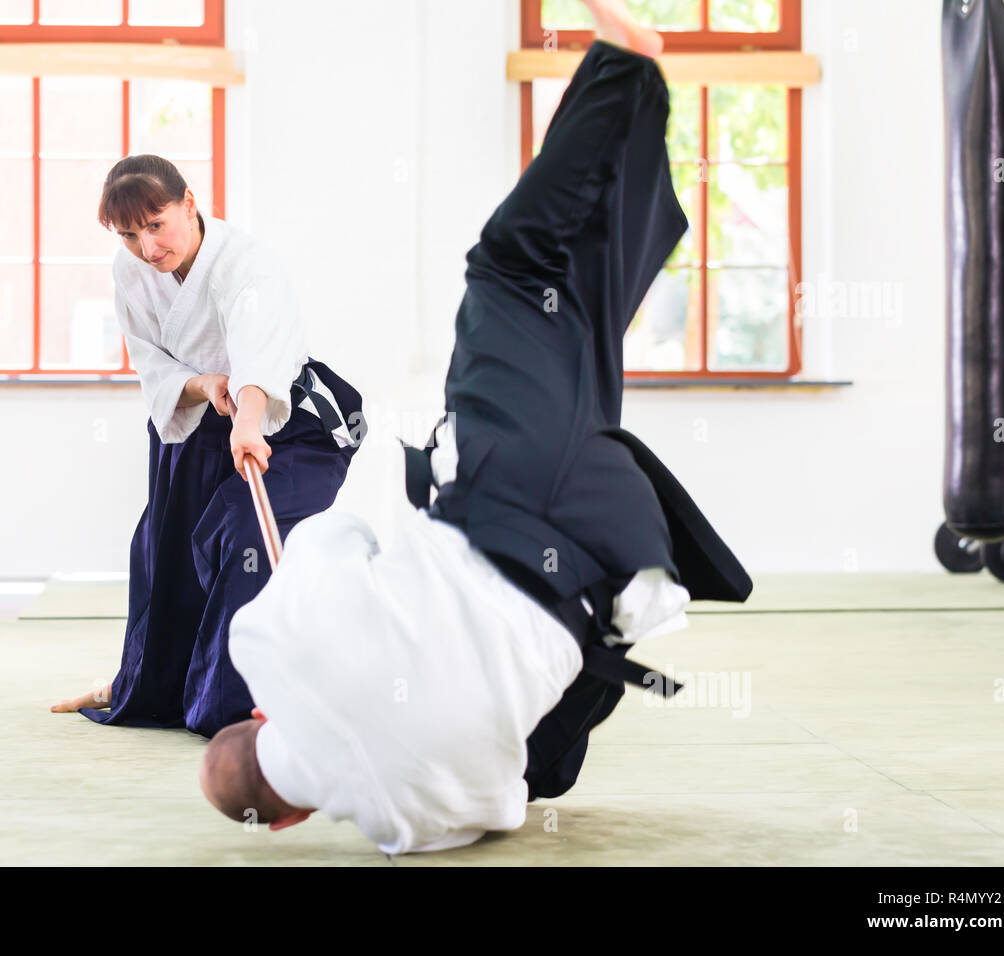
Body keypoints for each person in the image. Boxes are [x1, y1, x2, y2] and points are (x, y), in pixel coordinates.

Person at [198, 0, 752, 853]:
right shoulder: (272, 648)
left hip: (612, 568)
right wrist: (418, 453)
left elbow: (505, 805)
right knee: (510, 269)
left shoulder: (409, 829)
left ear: (294, 816)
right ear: (260, 716)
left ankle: (635, 122)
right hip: (515, 489)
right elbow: (358, 515)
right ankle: (623, 67)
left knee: (580, 321)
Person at [50, 155, 366, 738]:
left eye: (156, 225)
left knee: (242, 531)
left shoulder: (246, 265)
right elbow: (149, 358)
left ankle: (234, 703)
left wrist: (247, 418)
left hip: (285, 418)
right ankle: (148, 683)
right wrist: (203, 386)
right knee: (161, 547)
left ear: (189, 203)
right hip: (197, 415)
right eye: (128, 234)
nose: (146, 247)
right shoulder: (131, 270)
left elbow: (260, 354)